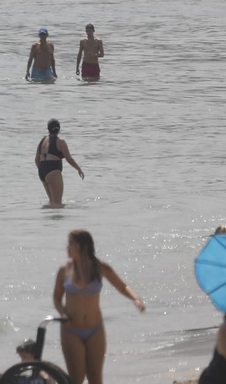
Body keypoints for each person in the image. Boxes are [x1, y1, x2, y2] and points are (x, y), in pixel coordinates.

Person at [53, 230, 145, 384]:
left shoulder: (100, 267)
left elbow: (122, 286)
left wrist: (136, 299)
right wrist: (62, 313)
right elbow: (56, 297)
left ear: (83, 246)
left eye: (71, 244)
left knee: (95, 377)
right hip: (71, 330)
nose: (67, 247)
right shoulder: (65, 270)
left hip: (95, 329)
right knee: (77, 378)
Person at [37, 118, 86, 206]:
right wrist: (79, 169)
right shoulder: (60, 142)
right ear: (59, 129)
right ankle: (57, 219)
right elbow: (69, 159)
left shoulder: (42, 141)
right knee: (57, 204)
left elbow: (37, 159)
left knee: (51, 201)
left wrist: (43, 170)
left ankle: (47, 219)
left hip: (42, 171)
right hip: (53, 170)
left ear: (48, 129)